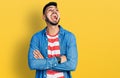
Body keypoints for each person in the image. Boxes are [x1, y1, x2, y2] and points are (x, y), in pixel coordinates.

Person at [28, 2, 78, 78]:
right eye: (50, 10)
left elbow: (72, 65)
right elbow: (32, 64)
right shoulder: (36, 38)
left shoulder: (69, 37)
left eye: (56, 10)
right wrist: (58, 60)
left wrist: (44, 61)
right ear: (44, 17)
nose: (54, 11)